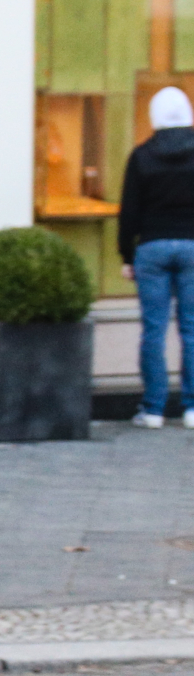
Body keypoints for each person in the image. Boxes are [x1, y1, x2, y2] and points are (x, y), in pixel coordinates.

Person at [121, 85, 194, 427]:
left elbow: (130, 212)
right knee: (191, 330)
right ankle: (192, 408)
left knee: (153, 329)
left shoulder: (141, 156)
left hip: (151, 247)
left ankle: (153, 409)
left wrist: (126, 255)